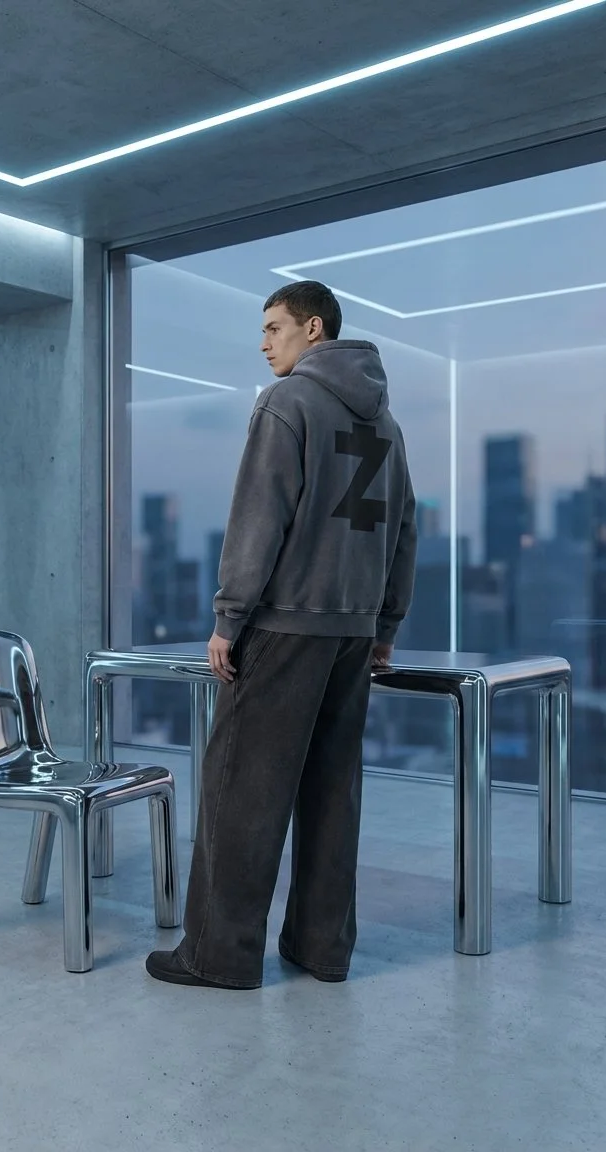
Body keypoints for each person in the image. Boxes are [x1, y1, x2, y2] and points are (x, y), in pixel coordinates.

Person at [146, 280, 417, 989]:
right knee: (333, 792)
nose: (264, 343)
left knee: (242, 791)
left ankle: (218, 955)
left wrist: (227, 619)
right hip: (353, 635)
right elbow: (406, 531)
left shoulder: (286, 403)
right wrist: (385, 623)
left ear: (314, 329)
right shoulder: (387, 426)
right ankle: (322, 950)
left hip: (285, 628)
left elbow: (257, 519)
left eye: (274, 328)